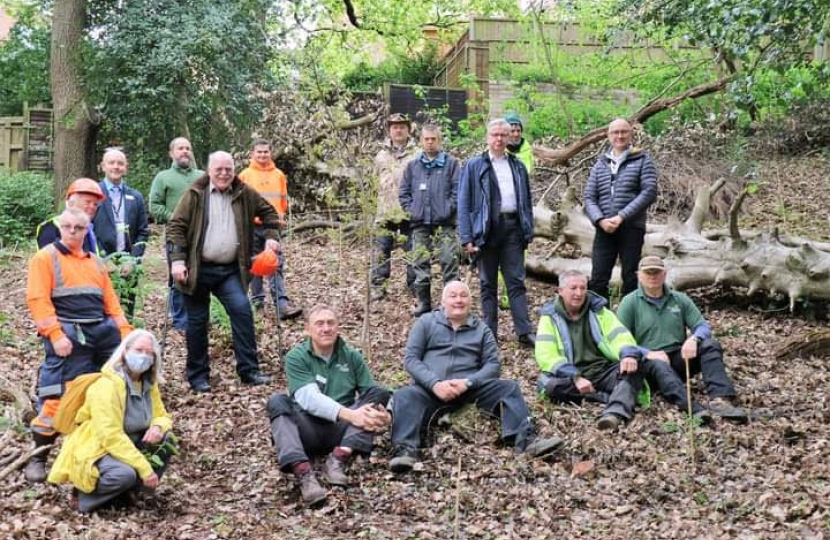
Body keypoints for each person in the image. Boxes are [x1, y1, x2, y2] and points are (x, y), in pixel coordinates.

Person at [389, 281, 563, 473]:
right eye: (453, 296)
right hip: (429, 391)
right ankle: (405, 450)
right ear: (443, 301)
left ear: (471, 301)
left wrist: (468, 382)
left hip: (469, 390)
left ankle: (526, 440)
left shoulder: (481, 329)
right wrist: (434, 383)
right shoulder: (426, 323)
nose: (458, 300)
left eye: (463, 295)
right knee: (403, 395)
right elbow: (411, 360)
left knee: (508, 387)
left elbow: (493, 365)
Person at [24, 208, 132, 483]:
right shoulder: (45, 258)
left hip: (101, 334)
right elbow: (38, 300)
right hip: (68, 336)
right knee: (56, 395)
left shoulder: (96, 262)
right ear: (60, 228)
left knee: (110, 390)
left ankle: (100, 453)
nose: (73, 232)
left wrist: (125, 333)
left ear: (87, 231)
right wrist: (55, 335)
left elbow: (112, 303)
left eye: (79, 228)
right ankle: (38, 456)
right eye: (68, 227)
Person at [167, 151, 278, 392]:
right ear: (209, 170)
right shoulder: (195, 194)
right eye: (219, 169)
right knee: (196, 322)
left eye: (228, 169)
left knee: (242, 312)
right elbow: (175, 226)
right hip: (198, 269)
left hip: (230, 271)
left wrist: (271, 238)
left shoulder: (244, 193)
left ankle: (249, 371)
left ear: (234, 169)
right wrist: (177, 261)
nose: (224, 173)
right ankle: (198, 376)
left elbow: (270, 213)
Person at [266, 305, 391, 505]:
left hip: (342, 431)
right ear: (308, 329)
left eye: (331, 323)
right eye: (319, 323)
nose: (326, 328)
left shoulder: (351, 356)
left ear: (338, 327)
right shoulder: (295, 357)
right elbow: (309, 398)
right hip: (307, 428)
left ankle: (339, 458)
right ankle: (304, 475)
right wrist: (352, 415)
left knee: (380, 393)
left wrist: (385, 416)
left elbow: (371, 392)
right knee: (277, 401)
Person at [48, 329, 175, 513]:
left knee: (167, 439)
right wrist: (144, 468)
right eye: (139, 350)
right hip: (99, 447)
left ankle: (133, 494)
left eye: (149, 353)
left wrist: (158, 426)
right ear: (125, 351)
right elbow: (110, 435)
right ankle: (84, 498)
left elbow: (162, 415)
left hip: (130, 441)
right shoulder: (106, 386)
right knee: (124, 475)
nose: (143, 357)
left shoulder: (148, 383)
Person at [617, 256, 748, 423]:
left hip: (678, 358)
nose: (652, 276)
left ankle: (720, 399)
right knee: (657, 364)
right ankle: (690, 407)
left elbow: (702, 326)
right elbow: (620, 340)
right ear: (638, 275)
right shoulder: (629, 302)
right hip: (648, 363)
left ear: (664, 274)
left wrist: (694, 339)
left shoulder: (679, 299)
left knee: (709, 345)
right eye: (648, 272)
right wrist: (648, 353)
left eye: (656, 272)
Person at [457, 118, 535, 347]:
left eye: (504, 134)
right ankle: (489, 332)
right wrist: (466, 237)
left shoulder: (518, 166)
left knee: (516, 281)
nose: (499, 139)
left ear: (511, 136)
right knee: (487, 283)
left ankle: (524, 331)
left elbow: (527, 201)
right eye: (495, 135)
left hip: (513, 229)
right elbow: (463, 203)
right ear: (487, 137)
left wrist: (527, 229)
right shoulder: (473, 165)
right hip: (486, 230)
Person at [534, 270, 645, 430]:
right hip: (572, 375)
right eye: (573, 288)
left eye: (583, 288)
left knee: (634, 367)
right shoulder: (549, 318)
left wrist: (628, 354)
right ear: (560, 291)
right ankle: (605, 397)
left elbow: (620, 335)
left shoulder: (599, 310)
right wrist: (576, 377)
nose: (579, 293)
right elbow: (546, 355)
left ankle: (614, 413)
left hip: (603, 370)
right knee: (552, 387)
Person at [584, 118, 658, 301]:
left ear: (631, 133)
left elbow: (649, 192)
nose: (619, 136)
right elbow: (589, 198)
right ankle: (600, 322)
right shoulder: (600, 164)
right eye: (615, 132)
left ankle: (628, 322)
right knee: (599, 278)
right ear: (608, 136)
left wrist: (622, 216)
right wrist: (600, 220)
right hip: (604, 229)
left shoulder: (643, 159)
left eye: (623, 131)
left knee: (630, 277)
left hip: (632, 228)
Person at [398, 124, 461, 316]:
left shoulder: (451, 164)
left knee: (449, 261)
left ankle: (449, 305)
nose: (430, 142)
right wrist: (412, 211)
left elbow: (458, 191)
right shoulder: (413, 165)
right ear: (421, 141)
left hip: (445, 223)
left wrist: (447, 209)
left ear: (439, 140)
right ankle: (424, 303)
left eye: (434, 139)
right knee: (419, 262)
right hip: (419, 223)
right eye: (427, 139)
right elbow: (403, 193)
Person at [238, 139, 302, 319]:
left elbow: (282, 201)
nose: (262, 155)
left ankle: (282, 305)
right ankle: (258, 303)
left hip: (272, 227)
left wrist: (279, 219)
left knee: (276, 264)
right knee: (255, 264)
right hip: (251, 226)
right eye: (259, 152)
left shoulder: (279, 175)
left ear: (270, 153)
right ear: (252, 153)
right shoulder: (245, 175)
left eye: (265, 152)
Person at [149, 137, 203, 331]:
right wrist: (176, 219)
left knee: (200, 275)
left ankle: (199, 316)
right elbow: (154, 206)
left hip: (201, 236)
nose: (185, 151)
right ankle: (180, 320)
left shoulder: (202, 176)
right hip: (175, 235)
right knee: (178, 276)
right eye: (180, 148)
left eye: (188, 148)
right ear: (171, 153)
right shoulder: (163, 177)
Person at [92, 148, 150, 319]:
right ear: (103, 166)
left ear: (126, 167)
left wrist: (133, 260)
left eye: (120, 163)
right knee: (100, 308)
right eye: (111, 163)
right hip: (100, 262)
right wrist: (103, 259)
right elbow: (88, 230)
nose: (116, 167)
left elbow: (143, 232)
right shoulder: (94, 194)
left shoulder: (136, 196)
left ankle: (126, 340)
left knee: (126, 310)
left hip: (128, 262)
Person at [371, 113, 418, 301]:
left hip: (410, 211)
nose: (398, 130)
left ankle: (415, 285)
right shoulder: (380, 155)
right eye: (394, 127)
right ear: (389, 131)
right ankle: (378, 287)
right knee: (381, 250)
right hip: (385, 211)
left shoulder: (417, 154)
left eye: (402, 127)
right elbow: (373, 182)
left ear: (408, 130)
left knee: (414, 250)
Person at [36, 178, 105, 253]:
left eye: (95, 204)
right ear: (71, 203)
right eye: (87, 202)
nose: (92, 207)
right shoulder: (50, 228)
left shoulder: (88, 229)